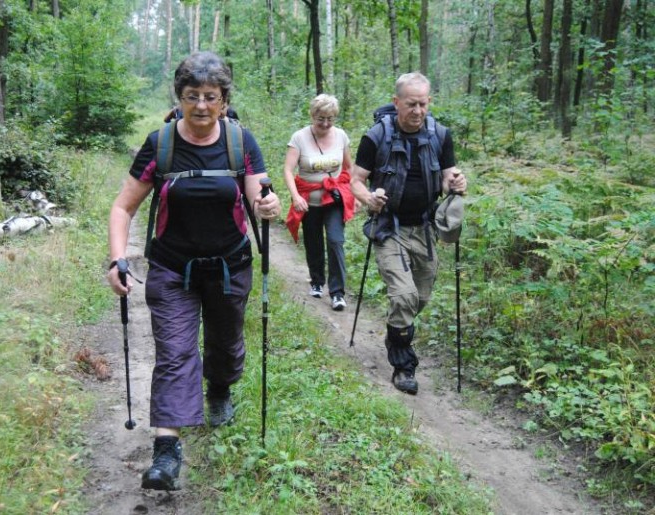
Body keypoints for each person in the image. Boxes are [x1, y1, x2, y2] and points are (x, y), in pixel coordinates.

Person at [107, 51, 280, 491]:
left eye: (210, 96)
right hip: (171, 268)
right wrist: (117, 258)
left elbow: (258, 192)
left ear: (224, 99)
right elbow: (123, 206)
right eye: (192, 96)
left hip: (229, 266)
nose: (201, 105)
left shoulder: (241, 141)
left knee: (224, 345)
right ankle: (166, 452)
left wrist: (268, 204)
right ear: (179, 97)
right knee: (175, 353)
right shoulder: (161, 144)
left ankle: (219, 388)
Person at [350, 72, 467, 395]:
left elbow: (446, 177)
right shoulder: (376, 136)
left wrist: (456, 183)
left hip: (425, 228)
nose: (417, 110)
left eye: (423, 104)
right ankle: (403, 366)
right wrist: (368, 198)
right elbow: (356, 179)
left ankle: (396, 331)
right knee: (403, 296)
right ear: (396, 101)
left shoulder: (440, 135)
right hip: (389, 227)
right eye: (411, 104)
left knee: (421, 297)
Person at [283, 94, 355, 311]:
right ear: (312, 115)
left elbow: (349, 168)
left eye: (330, 119)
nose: (325, 123)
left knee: (335, 241)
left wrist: (353, 194)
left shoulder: (341, 136)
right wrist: (295, 197)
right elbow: (288, 169)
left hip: (333, 199)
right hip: (308, 201)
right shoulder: (299, 138)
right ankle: (316, 281)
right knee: (313, 242)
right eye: (320, 118)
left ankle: (337, 292)